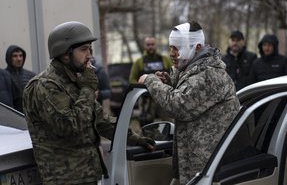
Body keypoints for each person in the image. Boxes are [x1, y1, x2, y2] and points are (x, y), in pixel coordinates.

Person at [22, 21, 155, 185]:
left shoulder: (77, 80)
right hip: (64, 178)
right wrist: (87, 90)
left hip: (86, 175)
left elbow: (100, 120)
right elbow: (69, 126)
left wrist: (134, 138)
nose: (89, 55)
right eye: (83, 49)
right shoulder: (45, 86)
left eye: (89, 49)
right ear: (65, 54)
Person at [138, 21, 240, 185]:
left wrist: (151, 81)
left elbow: (178, 106)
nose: (172, 53)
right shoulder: (199, 70)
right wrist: (170, 81)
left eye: (177, 48)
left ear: (197, 47)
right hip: (199, 167)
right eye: (171, 47)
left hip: (209, 170)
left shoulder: (209, 74)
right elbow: (191, 91)